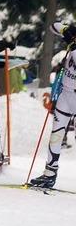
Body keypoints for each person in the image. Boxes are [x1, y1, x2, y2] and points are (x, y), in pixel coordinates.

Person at [29, 23, 76, 188]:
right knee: (56, 135)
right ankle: (49, 174)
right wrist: (68, 31)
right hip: (66, 95)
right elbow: (52, 26)